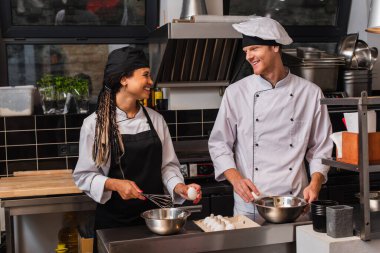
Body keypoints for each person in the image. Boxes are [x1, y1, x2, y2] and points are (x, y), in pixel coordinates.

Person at [208, 16, 333, 217]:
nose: (249, 56)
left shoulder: (310, 93)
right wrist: (236, 179)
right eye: (246, 51)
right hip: (251, 203)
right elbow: (219, 144)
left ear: (275, 47)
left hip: (295, 201)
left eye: (254, 48)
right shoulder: (236, 92)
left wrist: (315, 183)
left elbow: (321, 147)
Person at [73, 46, 202, 234]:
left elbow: (167, 166)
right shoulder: (95, 124)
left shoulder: (156, 120)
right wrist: (116, 184)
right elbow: (84, 176)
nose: (151, 81)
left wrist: (179, 187)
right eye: (146, 75)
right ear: (124, 79)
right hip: (114, 224)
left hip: (156, 221)